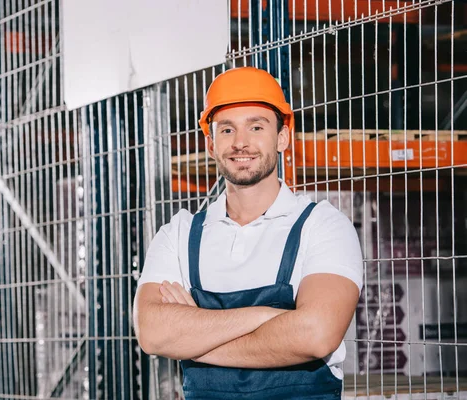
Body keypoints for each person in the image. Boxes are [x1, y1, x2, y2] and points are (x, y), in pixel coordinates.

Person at [133, 66, 363, 399]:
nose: (241, 142)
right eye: (226, 130)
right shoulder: (179, 234)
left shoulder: (323, 226)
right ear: (210, 144)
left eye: (256, 126)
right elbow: (153, 334)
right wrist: (270, 317)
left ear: (282, 137)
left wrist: (192, 335)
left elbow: (317, 335)